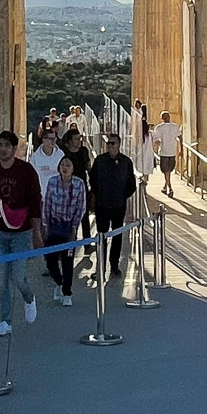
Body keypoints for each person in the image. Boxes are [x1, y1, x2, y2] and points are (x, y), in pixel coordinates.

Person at [0, 131, 42, 336]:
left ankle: (29, 297)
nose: (2, 149)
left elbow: (35, 202)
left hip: (22, 232)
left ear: (14, 149)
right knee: (2, 278)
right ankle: (5, 321)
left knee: (19, 277)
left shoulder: (26, 171)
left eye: (6, 145)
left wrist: (37, 233)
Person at [89, 132, 136, 283]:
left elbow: (131, 183)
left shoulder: (126, 162)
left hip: (118, 205)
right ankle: (100, 267)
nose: (110, 145)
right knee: (101, 236)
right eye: (108, 143)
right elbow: (93, 179)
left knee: (117, 236)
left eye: (113, 143)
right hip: (102, 205)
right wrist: (99, 195)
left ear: (119, 145)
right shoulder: (100, 160)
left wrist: (123, 196)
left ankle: (114, 265)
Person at [42, 154, 86, 305]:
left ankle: (67, 292)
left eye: (68, 165)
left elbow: (81, 207)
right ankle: (59, 283)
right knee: (51, 260)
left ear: (73, 168)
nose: (65, 167)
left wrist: (74, 228)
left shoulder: (79, 184)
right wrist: (45, 225)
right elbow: (47, 204)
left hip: (69, 227)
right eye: (63, 165)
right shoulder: (52, 182)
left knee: (67, 262)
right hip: (54, 225)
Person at [61, 127, 94, 247]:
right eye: (76, 139)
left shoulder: (84, 151)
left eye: (79, 138)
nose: (79, 141)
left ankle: (87, 243)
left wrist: (93, 184)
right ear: (69, 141)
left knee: (84, 215)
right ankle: (70, 242)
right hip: (68, 187)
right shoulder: (64, 153)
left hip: (82, 186)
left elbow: (88, 167)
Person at [153, 110, 183, 198]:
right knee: (168, 171)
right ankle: (167, 187)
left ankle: (169, 188)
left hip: (164, 152)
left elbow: (156, 140)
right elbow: (180, 137)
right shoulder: (175, 127)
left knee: (166, 171)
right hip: (172, 152)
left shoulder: (159, 128)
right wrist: (181, 150)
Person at [30, 125, 65, 199]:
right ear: (44, 140)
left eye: (54, 138)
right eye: (50, 138)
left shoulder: (61, 155)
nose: (53, 141)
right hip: (42, 198)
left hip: (59, 196)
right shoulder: (35, 157)